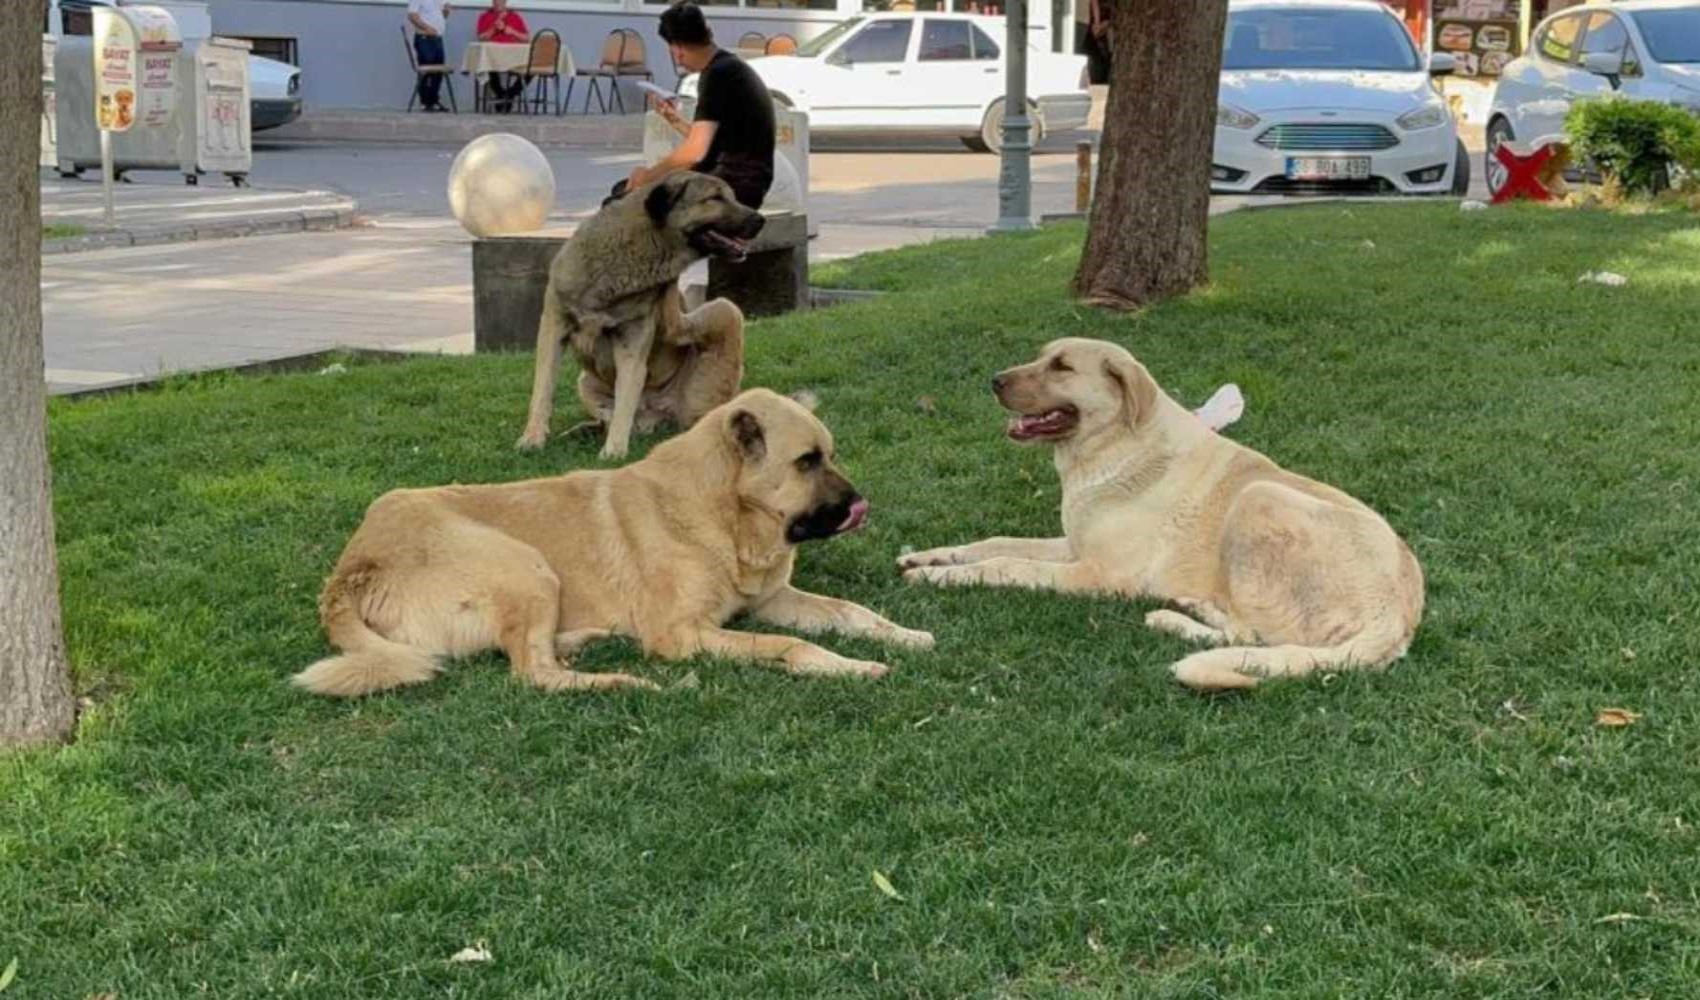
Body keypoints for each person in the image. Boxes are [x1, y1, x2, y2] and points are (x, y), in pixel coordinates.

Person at [621, 3, 776, 211]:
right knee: (629, 192)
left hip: (729, 188)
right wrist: (675, 120)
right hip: (744, 182)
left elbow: (695, 152)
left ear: (677, 50)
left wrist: (647, 177)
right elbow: (712, 142)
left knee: (623, 201)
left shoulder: (717, 75)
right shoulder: (728, 67)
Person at [475, 0, 529, 112]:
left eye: (500, 1)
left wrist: (512, 32)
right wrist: (494, 27)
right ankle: (501, 94)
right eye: (495, 1)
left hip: (514, 58)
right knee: (487, 65)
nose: (497, 3)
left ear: (505, 2)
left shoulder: (515, 16)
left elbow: (527, 38)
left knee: (531, 69)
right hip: (492, 58)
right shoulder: (485, 16)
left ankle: (509, 95)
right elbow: (481, 38)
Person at [406, 0, 452, 112]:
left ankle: (433, 100)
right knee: (427, 71)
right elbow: (412, 15)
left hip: (437, 39)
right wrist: (427, 28)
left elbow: (441, 17)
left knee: (438, 71)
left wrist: (446, 12)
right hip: (425, 38)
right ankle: (425, 102)